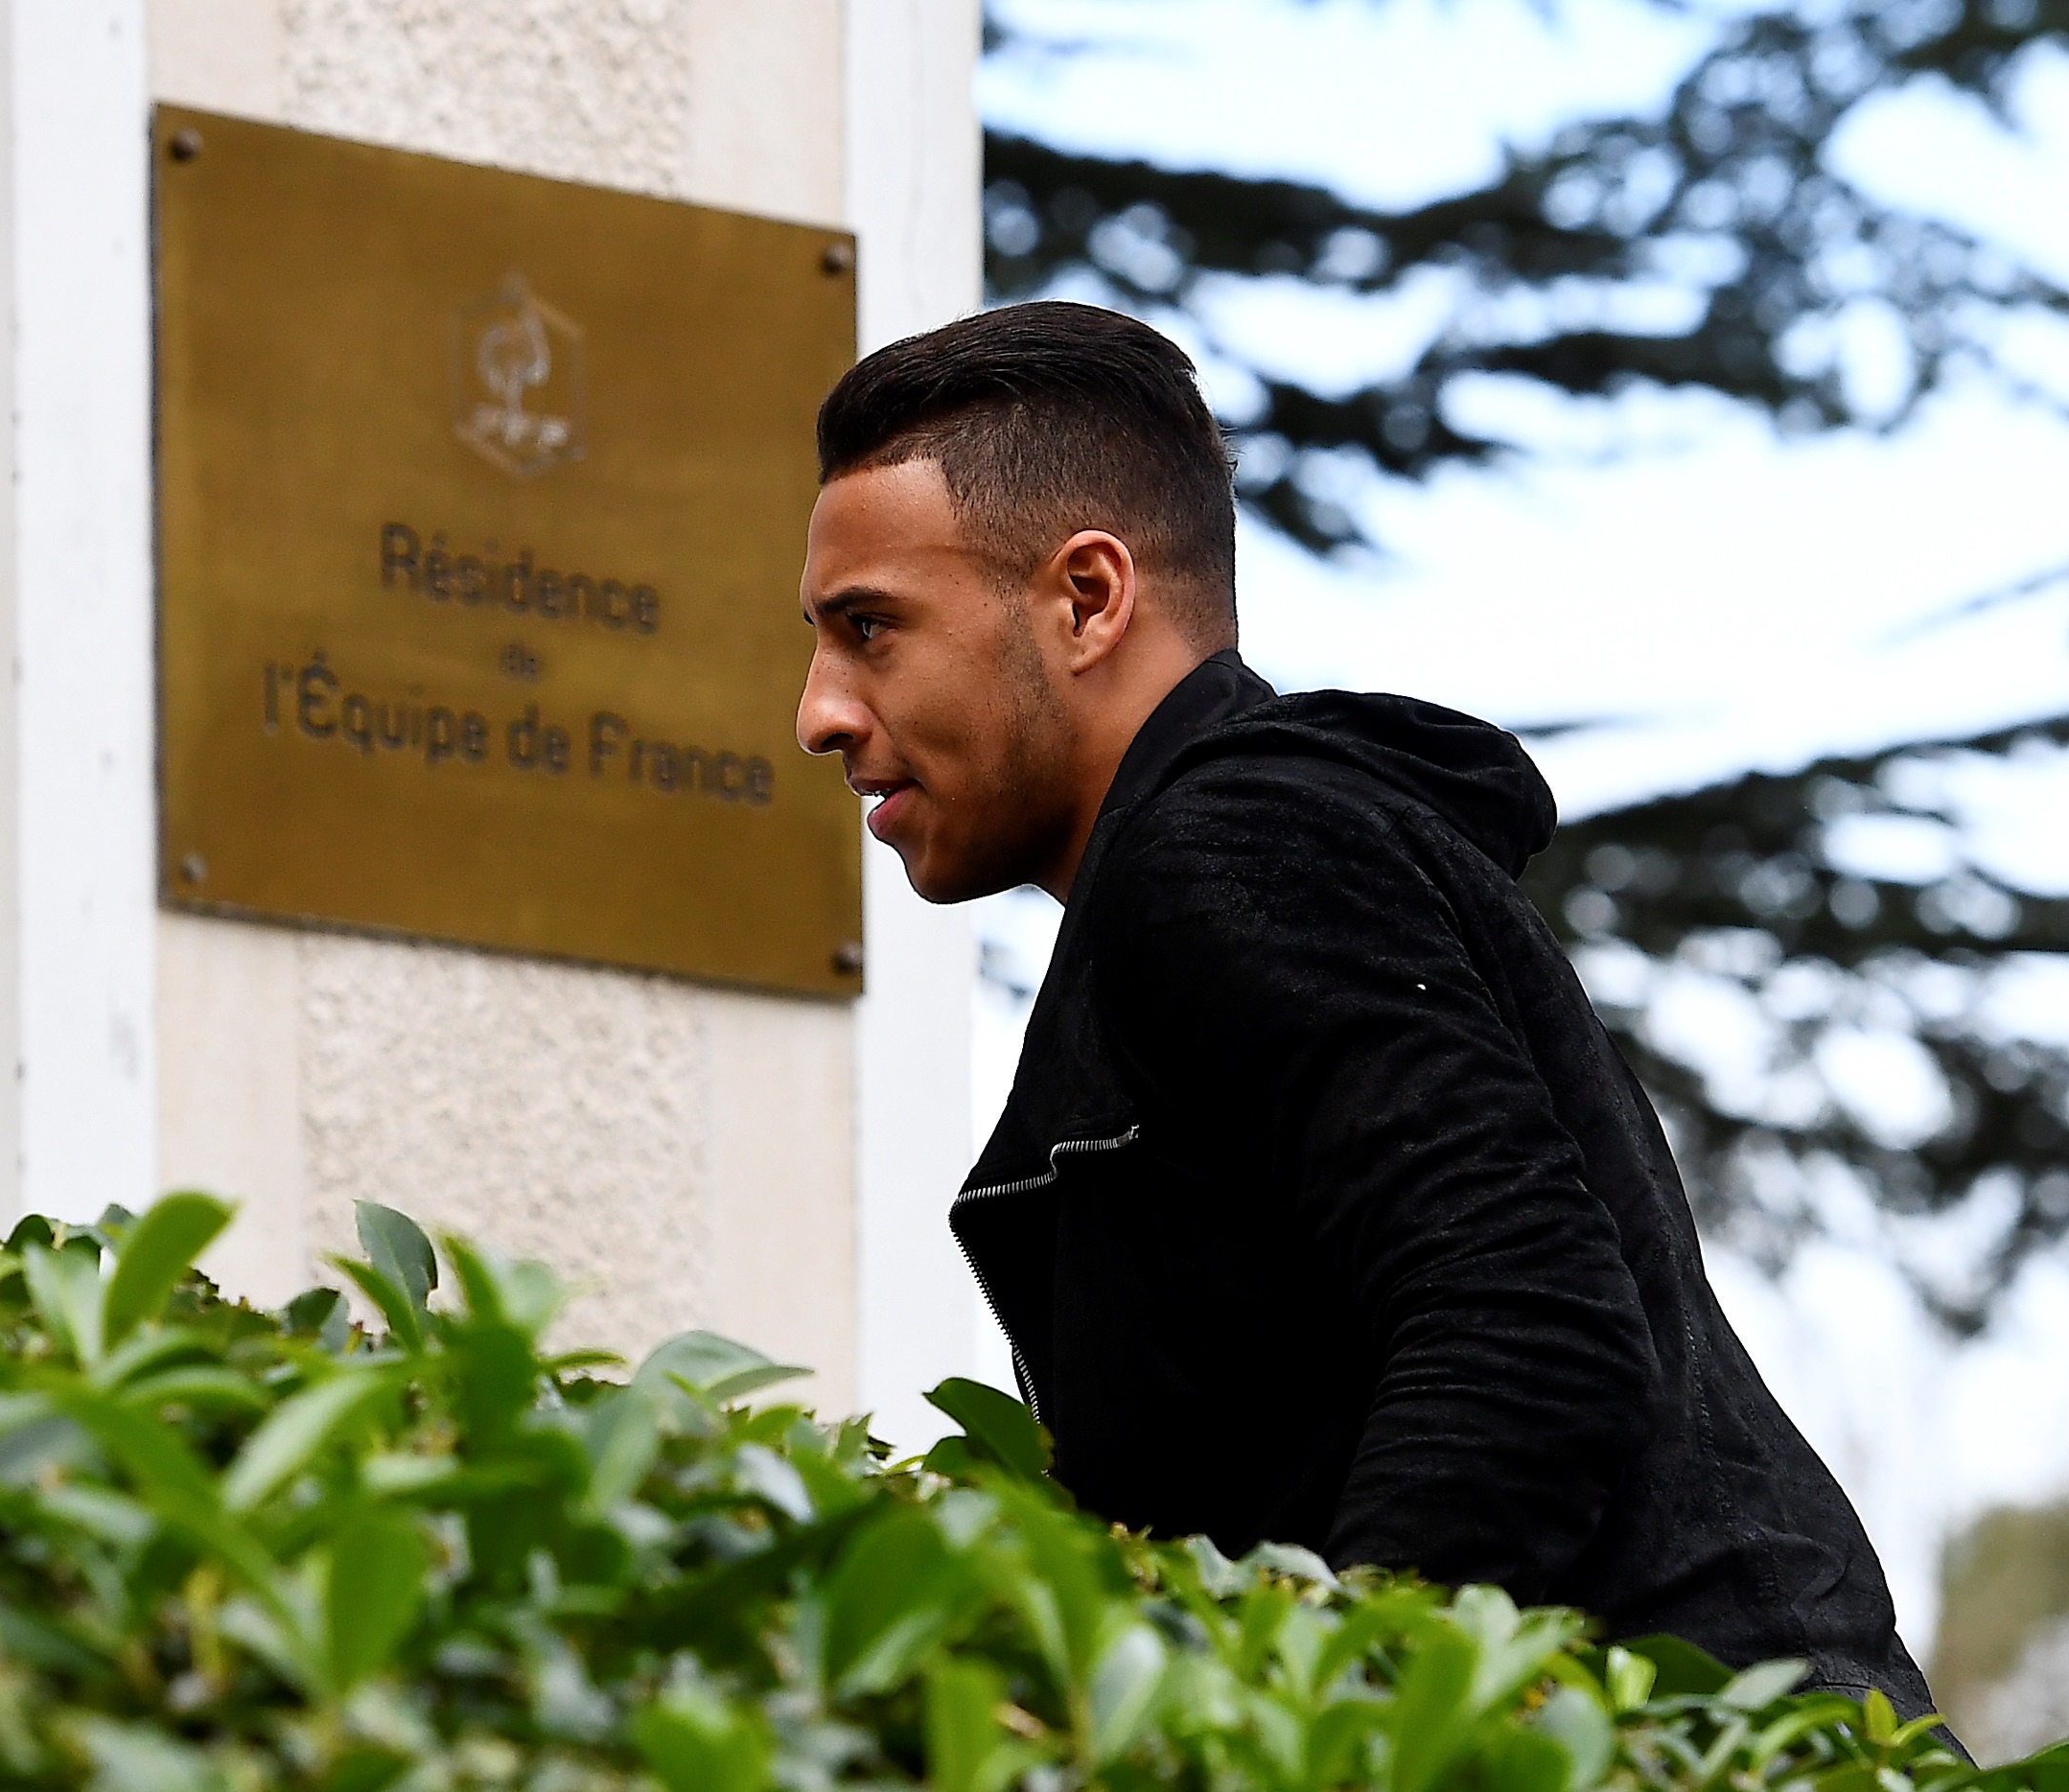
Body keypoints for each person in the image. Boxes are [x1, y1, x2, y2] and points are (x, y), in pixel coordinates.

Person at [794, 299, 1941, 1715]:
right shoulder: (1250, 853)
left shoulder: (1227, 845)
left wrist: (1309, 1727)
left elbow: (1523, 1320)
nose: (820, 712)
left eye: (870, 629)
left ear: (1088, 597)